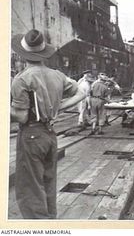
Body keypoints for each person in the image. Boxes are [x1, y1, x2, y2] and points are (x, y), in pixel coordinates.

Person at [10, 29, 86, 219]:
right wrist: (58, 108)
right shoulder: (57, 75)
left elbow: (20, 116)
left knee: (30, 188)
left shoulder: (21, 79)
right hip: (50, 135)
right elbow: (81, 93)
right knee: (48, 182)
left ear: (23, 54)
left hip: (31, 135)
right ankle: (50, 222)